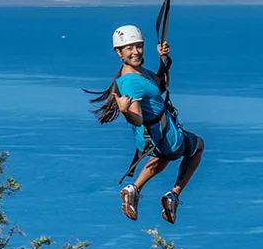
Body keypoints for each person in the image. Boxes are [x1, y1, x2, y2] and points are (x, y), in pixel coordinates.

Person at [86, 24, 205, 223]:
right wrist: (125, 111)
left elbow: (159, 84)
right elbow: (138, 118)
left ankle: (134, 189)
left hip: (152, 138)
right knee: (198, 145)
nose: (136, 52)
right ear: (119, 52)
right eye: (130, 48)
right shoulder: (131, 82)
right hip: (163, 135)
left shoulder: (140, 73)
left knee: (161, 158)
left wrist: (163, 59)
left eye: (139, 46)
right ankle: (174, 194)